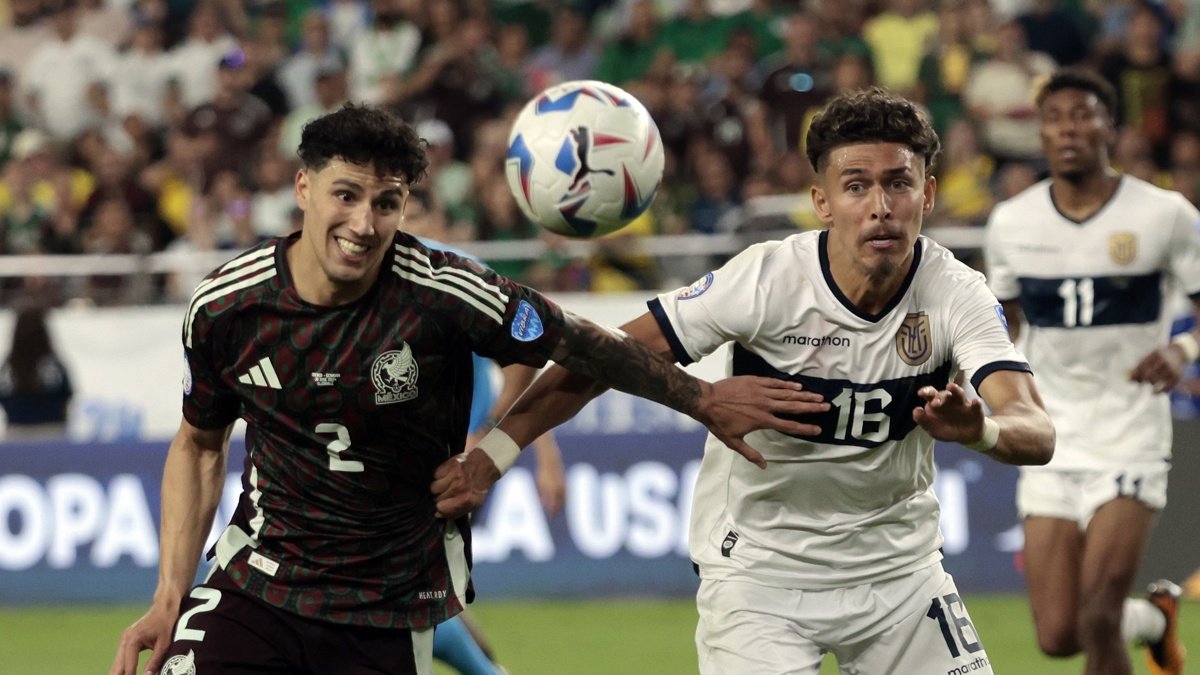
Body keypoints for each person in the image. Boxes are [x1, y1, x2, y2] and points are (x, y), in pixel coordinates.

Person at [109, 103, 822, 675]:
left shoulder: (445, 291)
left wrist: (700, 398)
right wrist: (169, 593)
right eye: (346, 195)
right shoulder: (228, 307)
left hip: (385, 605)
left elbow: (582, 345)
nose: (364, 224)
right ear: (303, 188)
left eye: (386, 203)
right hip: (255, 583)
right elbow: (199, 445)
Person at [434, 87, 1057, 674]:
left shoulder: (956, 294)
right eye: (856, 185)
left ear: (928, 194)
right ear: (822, 201)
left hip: (902, 574)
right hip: (760, 579)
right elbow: (604, 356)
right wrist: (492, 456)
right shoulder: (765, 281)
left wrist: (982, 430)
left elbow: (1036, 430)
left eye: (900, 183)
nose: (880, 206)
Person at [985, 68, 1200, 675]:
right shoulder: (1013, 223)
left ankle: (1131, 618)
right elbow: (1006, 326)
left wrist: (1183, 351)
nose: (1068, 129)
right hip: (1050, 434)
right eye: (1055, 119)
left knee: (1100, 614)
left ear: (1110, 126)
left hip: (1129, 430)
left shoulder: (1165, 215)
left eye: (1082, 115)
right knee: (1058, 635)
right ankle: (1155, 619)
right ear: (1042, 134)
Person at [402, 185, 564, 675]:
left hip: (451, 465)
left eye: (409, 211)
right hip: (391, 462)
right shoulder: (362, 278)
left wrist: (497, 436)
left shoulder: (456, 273)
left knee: (403, 600)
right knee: (415, 597)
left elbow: (525, 353)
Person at [0, 304, 73, 439]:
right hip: (52, 432)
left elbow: (3, 397)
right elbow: (67, 394)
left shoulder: (8, 366)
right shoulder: (53, 364)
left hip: (16, 433)